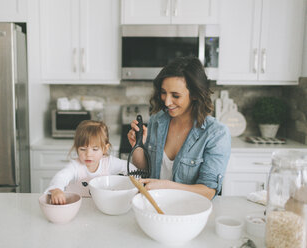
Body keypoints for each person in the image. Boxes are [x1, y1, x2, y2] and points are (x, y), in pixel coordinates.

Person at [127, 56, 231, 200]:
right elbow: (145, 171)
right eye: (164, 93)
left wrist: (167, 186)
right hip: (154, 207)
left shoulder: (216, 133)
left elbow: (208, 191)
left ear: (195, 94)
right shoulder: (157, 121)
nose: (167, 102)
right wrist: (137, 146)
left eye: (175, 95)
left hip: (189, 213)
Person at [45, 120, 136, 205]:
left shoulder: (109, 163)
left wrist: (138, 184)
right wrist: (57, 189)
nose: (88, 154)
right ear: (77, 148)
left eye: (95, 149)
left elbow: (130, 168)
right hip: (79, 207)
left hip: (101, 206)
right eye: (83, 149)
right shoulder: (75, 166)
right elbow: (61, 177)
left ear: (105, 148)